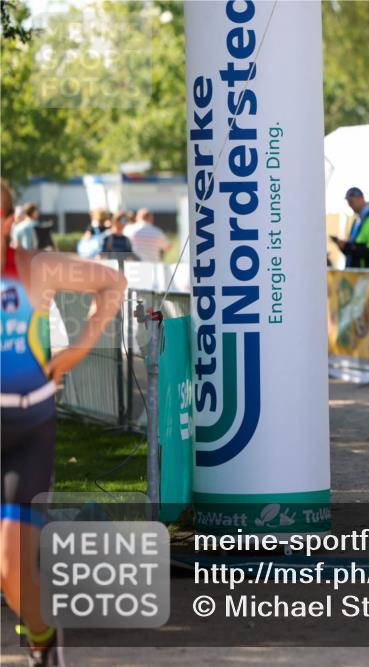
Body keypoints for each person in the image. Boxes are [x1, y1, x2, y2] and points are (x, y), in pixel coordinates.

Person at [1, 179, 126, 666]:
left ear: (10, 222)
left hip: (24, 433)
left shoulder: (36, 268)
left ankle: (41, 639)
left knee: (13, 571)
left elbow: (111, 283)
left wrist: (77, 348)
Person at [331, 187, 369, 269]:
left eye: (351, 202)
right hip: (356, 275)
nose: (350, 205)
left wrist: (349, 246)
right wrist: (343, 246)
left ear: (361, 198)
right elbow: (352, 252)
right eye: (348, 202)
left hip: (367, 277)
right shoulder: (357, 221)